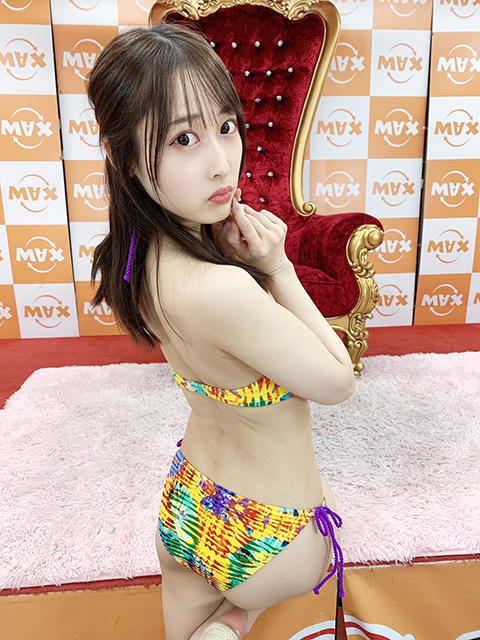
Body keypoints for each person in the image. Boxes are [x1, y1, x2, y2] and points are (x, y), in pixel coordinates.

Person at [87, 22, 355, 640]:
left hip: (185, 508)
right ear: (127, 159)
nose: (221, 163)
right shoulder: (222, 289)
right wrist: (278, 268)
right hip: (270, 536)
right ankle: (234, 620)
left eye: (227, 126)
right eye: (184, 138)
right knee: (304, 541)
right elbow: (338, 381)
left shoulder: (132, 259)